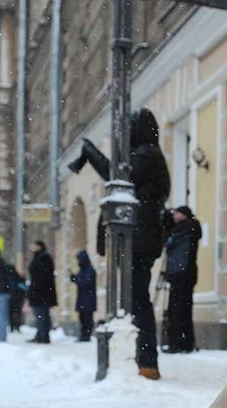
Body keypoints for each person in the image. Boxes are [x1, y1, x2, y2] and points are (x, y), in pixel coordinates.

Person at [69, 108, 171, 380]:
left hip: (139, 241)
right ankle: (140, 358)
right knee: (135, 300)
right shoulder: (146, 154)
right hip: (137, 240)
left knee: (138, 300)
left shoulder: (148, 154)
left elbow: (118, 177)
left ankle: (147, 360)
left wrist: (91, 153)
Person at [162, 205, 202, 354]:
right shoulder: (190, 228)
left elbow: (168, 242)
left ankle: (177, 343)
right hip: (185, 273)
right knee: (184, 309)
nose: (174, 216)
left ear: (184, 215)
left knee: (177, 310)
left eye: (176, 213)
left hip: (181, 273)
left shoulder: (185, 230)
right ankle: (185, 343)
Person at [27, 240, 57, 343]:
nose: (32, 247)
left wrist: (36, 287)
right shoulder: (39, 257)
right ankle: (41, 334)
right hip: (40, 292)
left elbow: (43, 275)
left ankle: (43, 335)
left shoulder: (43, 258)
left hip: (42, 292)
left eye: (34, 245)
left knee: (42, 315)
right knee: (40, 315)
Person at [69, 249, 97, 342]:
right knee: (82, 318)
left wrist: (76, 279)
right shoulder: (83, 270)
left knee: (87, 319)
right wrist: (74, 278)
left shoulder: (89, 270)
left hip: (88, 298)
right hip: (83, 298)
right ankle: (84, 335)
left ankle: (86, 336)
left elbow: (85, 282)